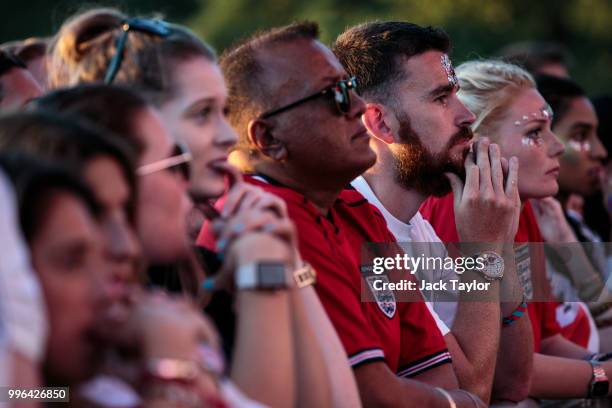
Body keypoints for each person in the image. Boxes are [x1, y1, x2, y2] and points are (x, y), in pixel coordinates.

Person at [201, 20, 487, 407]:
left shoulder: (357, 211)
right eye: (333, 95)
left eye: (349, 89)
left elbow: (450, 378)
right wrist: (488, 252)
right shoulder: (266, 216)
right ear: (268, 138)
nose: (356, 108)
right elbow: (473, 386)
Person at [31, 83, 361, 407]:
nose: (356, 106)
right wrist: (263, 271)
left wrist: (286, 263)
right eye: (174, 164)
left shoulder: (366, 213)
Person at [333, 22, 530, 404]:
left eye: (456, 94)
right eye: (442, 98)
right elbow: (468, 393)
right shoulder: (359, 231)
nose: (467, 115)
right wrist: (483, 249)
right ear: (381, 123)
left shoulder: (418, 228)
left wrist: (500, 249)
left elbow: (513, 382)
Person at [419, 60, 612, 402]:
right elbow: (500, 374)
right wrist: (601, 376)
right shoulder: (459, 210)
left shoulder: (521, 207)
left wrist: (598, 368)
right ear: (479, 143)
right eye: (535, 132)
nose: (557, 146)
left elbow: (547, 338)